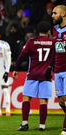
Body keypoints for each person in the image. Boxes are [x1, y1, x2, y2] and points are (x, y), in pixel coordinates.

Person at [13, 21, 54, 131]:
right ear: (49, 31)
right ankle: (42, 126)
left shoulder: (31, 42)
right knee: (43, 101)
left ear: (37, 31)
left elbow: (22, 56)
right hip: (46, 75)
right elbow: (60, 56)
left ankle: (25, 124)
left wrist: (16, 68)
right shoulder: (53, 42)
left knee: (26, 98)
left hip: (32, 74)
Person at [51, 5, 66, 135]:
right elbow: (57, 50)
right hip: (58, 70)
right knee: (61, 102)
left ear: (64, 14)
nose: (52, 16)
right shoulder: (55, 30)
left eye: (55, 13)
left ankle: (65, 129)